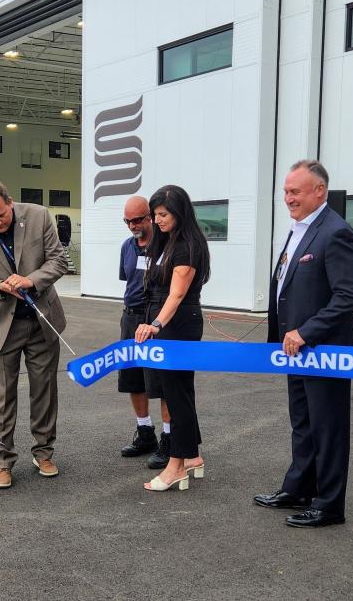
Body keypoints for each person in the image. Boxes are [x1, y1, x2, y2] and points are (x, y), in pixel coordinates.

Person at [253, 159, 353, 528]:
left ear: (320, 191)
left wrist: (307, 331)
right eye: (286, 191)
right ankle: (299, 487)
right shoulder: (300, 229)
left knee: (328, 428)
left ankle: (330, 504)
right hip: (297, 351)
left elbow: (350, 295)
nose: (288, 198)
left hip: (325, 350)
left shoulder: (336, 232)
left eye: (295, 191)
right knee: (302, 422)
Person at [0, 181, 68, 490]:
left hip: (42, 321)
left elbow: (58, 261)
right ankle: (3, 461)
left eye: (1, 216)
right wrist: (0, 286)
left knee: (44, 391)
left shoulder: (38, 215)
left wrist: (31, 280)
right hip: (2, 326)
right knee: (2, 399)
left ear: (10, 202)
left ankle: (44, 453)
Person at [132, 185, 210, 492]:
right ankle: (191, 455)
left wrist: (156, 324)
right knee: (179, 392)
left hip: (177, 325)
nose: (157, 220)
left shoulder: (187, 246)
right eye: (155, 214)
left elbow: (177, 293)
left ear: (179, 213)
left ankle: (176, 465)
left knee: (176, 395)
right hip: (169, 323)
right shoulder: (168, 242)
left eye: (163, 214)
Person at [116, 195, 173, 466]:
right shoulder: (127, 247)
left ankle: (169, 439)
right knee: (132, 379)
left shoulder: (165, 246)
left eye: (137, 219)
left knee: (160, 383)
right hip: (130, 318)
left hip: (154, 320)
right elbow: (128, 281)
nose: (132, 225)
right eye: (127, 221)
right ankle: (145, 431)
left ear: (150, 216)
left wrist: (157, 321)